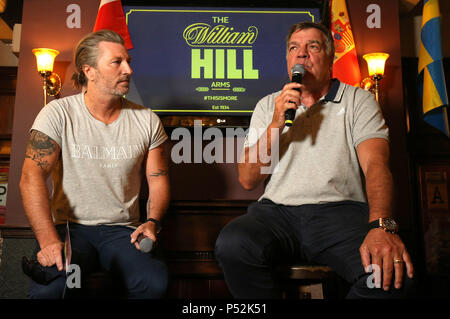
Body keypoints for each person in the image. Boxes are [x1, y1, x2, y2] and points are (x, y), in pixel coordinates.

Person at [215, 22, 415, 298]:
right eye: (294, 48)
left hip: (340, 214)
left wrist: (382, 226)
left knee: (389, 275)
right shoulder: (268, 105)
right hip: (277, 214)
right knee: (233, 243)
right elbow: (248, 179)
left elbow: (376, 166)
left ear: (330, 57)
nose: (302, 54)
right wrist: (276, 124)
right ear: (287, 59)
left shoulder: (359, 101)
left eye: (313, 47)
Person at [20, 30, 170, 299]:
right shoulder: (57, 114)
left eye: (128, 61)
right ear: (88, 70)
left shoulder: (147, 120)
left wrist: (152, 222)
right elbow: (31, 178)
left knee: (153, 284)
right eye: (117, 62)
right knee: (54, 291)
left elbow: (157, 179)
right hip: (71, 232)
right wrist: (48, 240)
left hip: (123, 234)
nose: (128, 69)